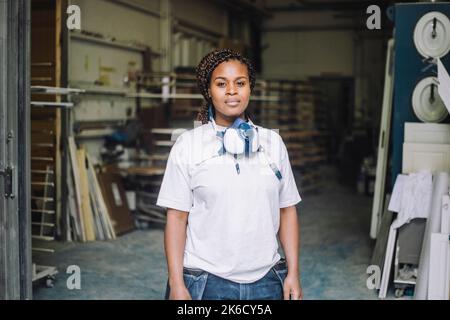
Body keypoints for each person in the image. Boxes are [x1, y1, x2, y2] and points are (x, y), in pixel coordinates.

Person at [156, 49, 303, 300]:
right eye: (221, 84)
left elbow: (287, 209)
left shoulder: (273, 143)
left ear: (250, 88)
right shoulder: (188, 145)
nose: (232, 91)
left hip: (267, 280)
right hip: (206, 281)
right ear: (208, 90)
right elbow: (177, 219)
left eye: (240, 83)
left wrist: (293, 273)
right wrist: (177, 284)